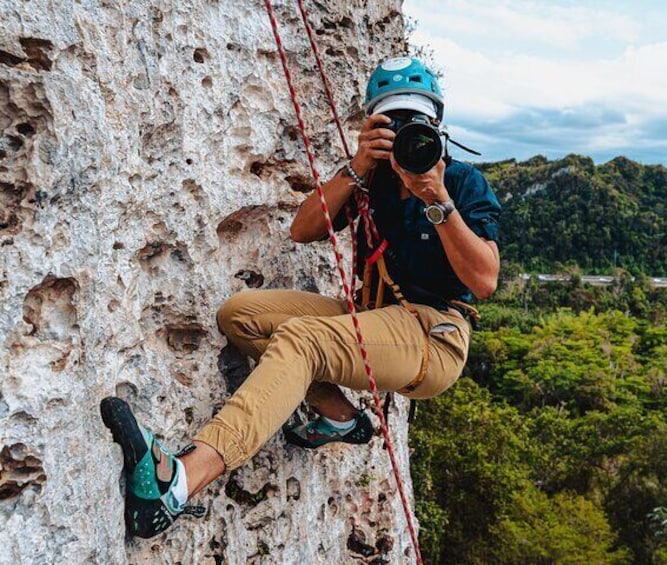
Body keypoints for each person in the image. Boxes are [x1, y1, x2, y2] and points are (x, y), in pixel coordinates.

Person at [100, 56, 501, 539]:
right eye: (390, 123)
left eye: (414, 124)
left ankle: (182, 480)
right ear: (372, 125)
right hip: (377, 317)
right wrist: (356, 167)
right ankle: (339, 417)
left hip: (433, 336)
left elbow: (484, 280)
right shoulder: (369, 177)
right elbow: (303, 228)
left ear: (435, 125)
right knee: (240, 315)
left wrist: (435, 197)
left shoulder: (460, 182)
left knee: (303, 340)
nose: (402, 135)